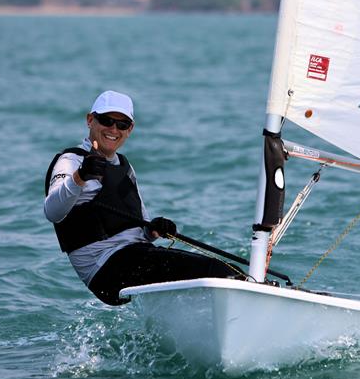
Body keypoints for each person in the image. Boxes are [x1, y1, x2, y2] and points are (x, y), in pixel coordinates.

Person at [44, 90, 243, 305]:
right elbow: (52, 212)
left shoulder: (125, 167)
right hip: (106, 269)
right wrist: (80, 176)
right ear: (90, 120)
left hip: (135, 256)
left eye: (122, 124)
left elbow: (142, 233)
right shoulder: (71, 161)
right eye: (106, 120)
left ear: (130, 129)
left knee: (230, 272)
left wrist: (153, 229)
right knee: (215, 272)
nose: (113, 129)